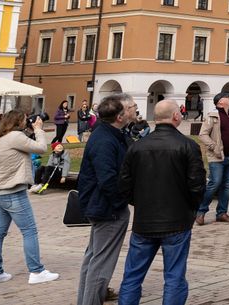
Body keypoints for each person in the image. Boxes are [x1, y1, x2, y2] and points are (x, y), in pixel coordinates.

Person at [117, 99, 205, 305]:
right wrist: (190, 207)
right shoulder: (187, 145)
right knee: (174, 277)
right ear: (175, 116)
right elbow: (197, 185)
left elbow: (124, 184)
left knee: (132, 276)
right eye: (180, 113)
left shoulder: (138, 146)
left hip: (145, 219)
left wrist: (140, 202)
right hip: (176, 220)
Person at [0, 110, 58, 286]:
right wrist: (39, 129)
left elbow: (24, 144)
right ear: (17, 122)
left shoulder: (0, 137)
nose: (27, 121)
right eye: (25, 119)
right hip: (13, 192)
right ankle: (37, 271)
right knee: (29, 231)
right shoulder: (15, 137)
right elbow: (41, 148)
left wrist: (30, 131)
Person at [77, 94, 137, 304]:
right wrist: (125, 200)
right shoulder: (105, 139)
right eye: (131, 107)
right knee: (101, 263)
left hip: (104, 205)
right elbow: (108, 179)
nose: (135, 109)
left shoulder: (111, 133)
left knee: (94, 257)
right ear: (120, 116)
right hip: (107, 208)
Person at [196, 92, 229, 225]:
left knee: (227, 186)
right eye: (227, 97)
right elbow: (203, 135)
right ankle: (200, 211)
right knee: (214, 184)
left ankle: (222, 213)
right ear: (220, 102)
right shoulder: (213, 116)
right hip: (217, 157)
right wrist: (214, 147)